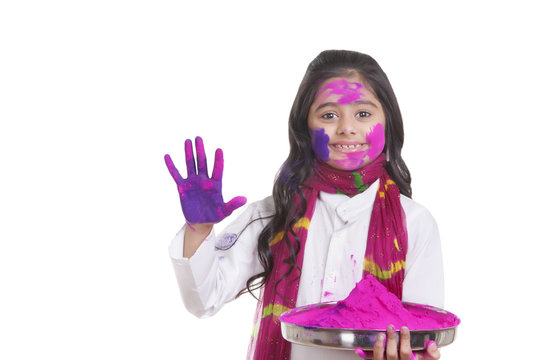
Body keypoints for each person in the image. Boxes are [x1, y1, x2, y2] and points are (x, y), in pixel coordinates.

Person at [165, 50, 444, 360]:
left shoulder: (415, 223)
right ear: (304, 127)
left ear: (388, 121)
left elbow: (420, 334)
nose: (346, 128)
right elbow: (203, 300)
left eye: (363, 114)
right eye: (328, 115)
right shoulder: (275, 212)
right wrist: (199, 230)